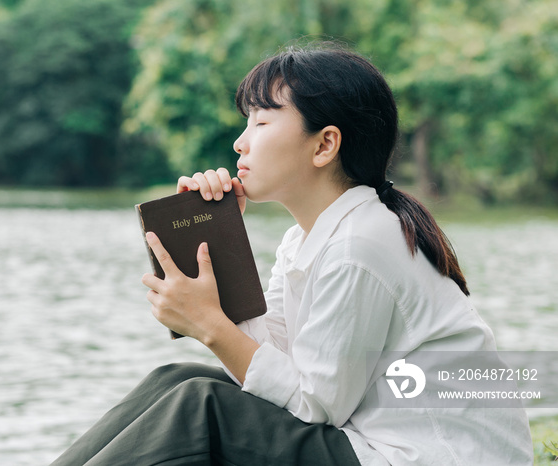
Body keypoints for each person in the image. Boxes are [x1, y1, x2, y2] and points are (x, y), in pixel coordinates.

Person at [50, 42, 533, 465]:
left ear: (324, 144)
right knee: (175, 380)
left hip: (422, 458)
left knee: (201, 407)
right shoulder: (307, 239)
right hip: (371, 444)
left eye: (261, 121)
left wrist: (210, 327)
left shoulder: (361, 244)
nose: (240, 141)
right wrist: (219, 243)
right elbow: (275, 365)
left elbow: (314, 404)